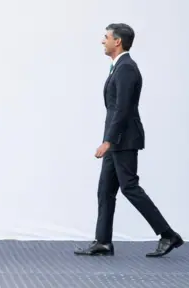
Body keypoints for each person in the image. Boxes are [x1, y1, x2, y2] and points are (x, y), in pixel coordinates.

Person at [74, 23, 183, 257]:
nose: (103, 41)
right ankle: (103, 241)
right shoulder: (118, 67)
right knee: (105, 190)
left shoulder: (126, 69)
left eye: (106, 37)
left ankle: (168, 234)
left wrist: (109, 141)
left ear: (118, 42)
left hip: (123, 139)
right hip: (116, 139)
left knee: (130, 187)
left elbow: (122, 109)